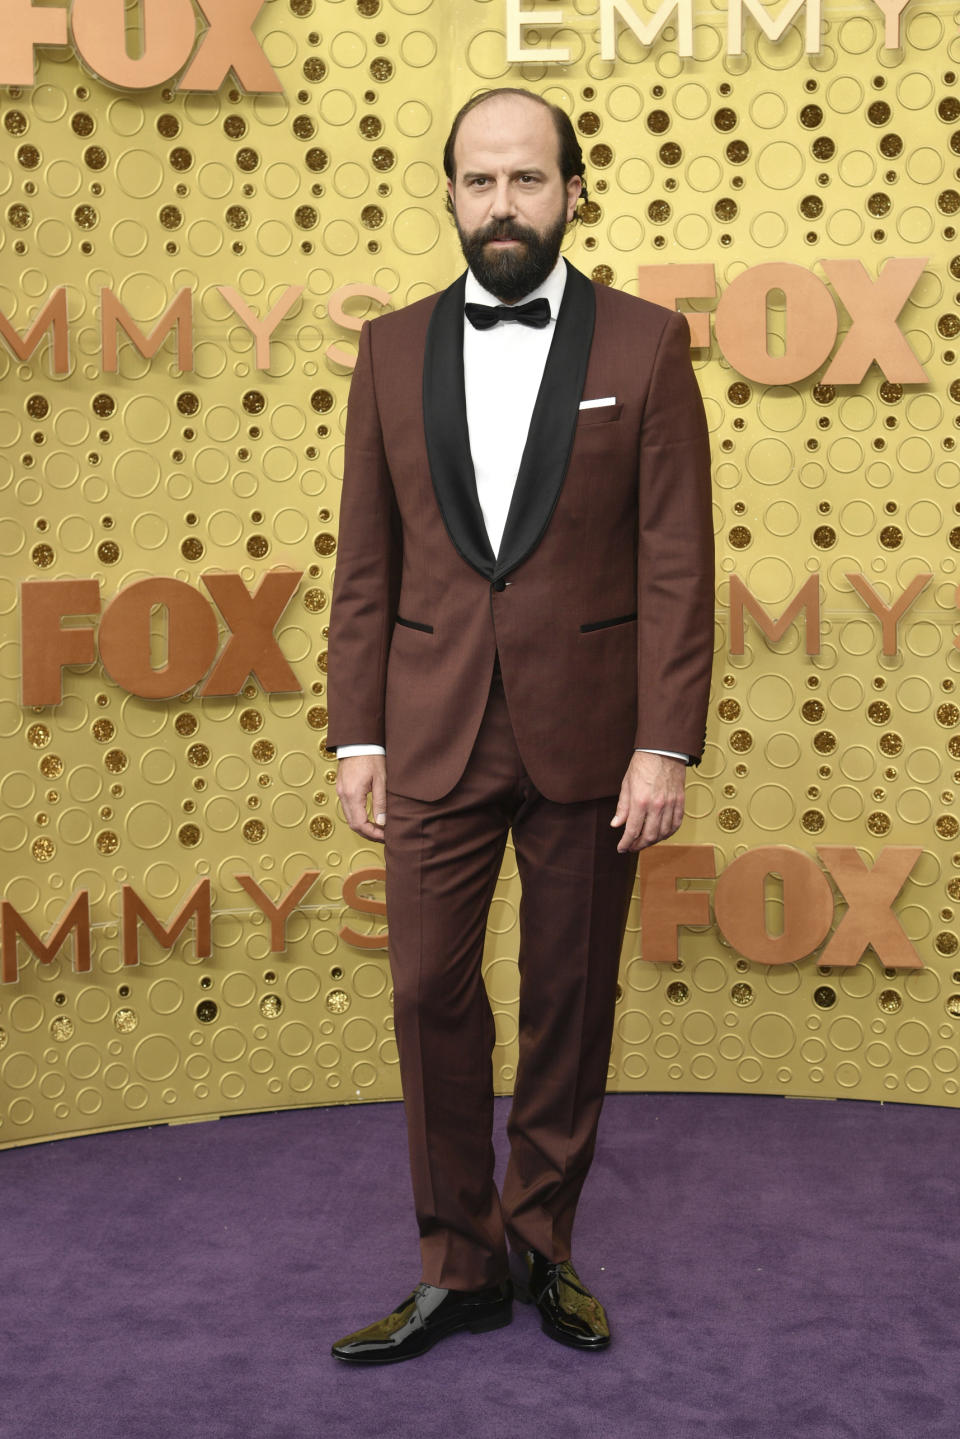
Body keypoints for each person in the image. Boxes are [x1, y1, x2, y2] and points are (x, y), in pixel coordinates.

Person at [326, 87, 714, 1364]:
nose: (503, 204)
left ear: (572, 191)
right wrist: (355, 733)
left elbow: (675, 562)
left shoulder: (647, 346)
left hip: (593, 737)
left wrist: (666, 740)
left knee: (569, 995)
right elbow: (366, 565)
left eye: (528, 181)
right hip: (429, 729)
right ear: (449, 194)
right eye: (480, 182)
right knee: (428, 992)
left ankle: (541, 1240)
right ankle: (458, 1262)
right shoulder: (387, 348)